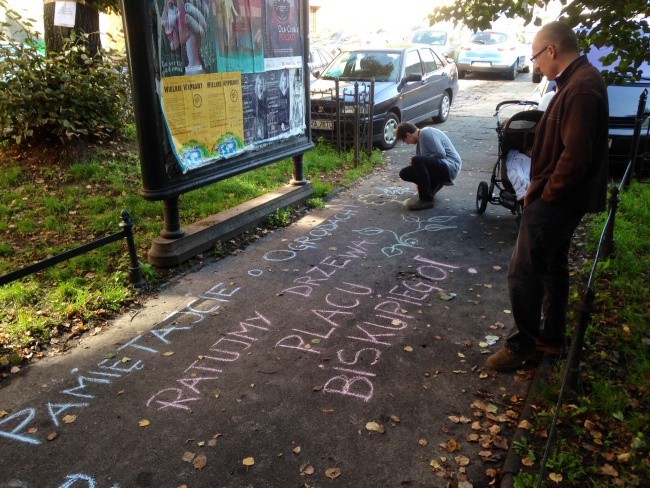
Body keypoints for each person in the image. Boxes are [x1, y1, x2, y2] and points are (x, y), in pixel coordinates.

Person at [487, 21, 609, 372]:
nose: (536, 64)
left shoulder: (582, 87)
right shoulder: (576, 81)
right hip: (562, 198)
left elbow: (576, 156)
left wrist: (547, 194)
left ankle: (522, 343)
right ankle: (550, 338)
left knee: (523, 270)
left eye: (536, 56)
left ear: (551, 50)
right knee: (552, 265)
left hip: (559, 200)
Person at [396, 122, 462, 210]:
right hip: (441, 166)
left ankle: (426, 200)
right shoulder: (420, 141)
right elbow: (423, 163)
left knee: (417, 159)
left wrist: (419, 160)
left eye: (405, 141)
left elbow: (440, 153)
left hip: (450, 166)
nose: (407, 143)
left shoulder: (426, 132)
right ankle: (431, 187)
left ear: (408, 135)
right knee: (404, 173)